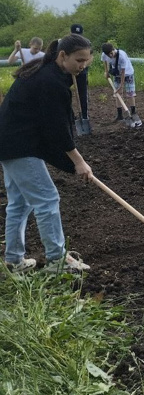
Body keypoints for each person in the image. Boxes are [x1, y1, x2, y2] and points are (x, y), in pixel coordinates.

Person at [0, 34, 93, 274]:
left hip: (10, 142)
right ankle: (57, 261)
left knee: (19, 204)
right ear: (63, 55)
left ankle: (13, 260)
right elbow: (56, 129)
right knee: (47, 199)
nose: (82, 65)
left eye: (86, 61)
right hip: (19, 145)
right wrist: (79, 162)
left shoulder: (49, 73)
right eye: (79, 60)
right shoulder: (49, 81)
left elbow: (53, 126)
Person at [100, 43, 142, 127]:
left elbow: (123, 72)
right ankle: (120, 115)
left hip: (128, 74)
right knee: (117, 94)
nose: (110, 56)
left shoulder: (122, 56)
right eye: (108, 55)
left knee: (130, 93)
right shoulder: (105, 54)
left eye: (111, 54)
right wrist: (106, 71)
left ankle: (133, 113)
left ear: (113, 49)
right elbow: (105, 61)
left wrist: (121, 86)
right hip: (117, 74)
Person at [70, 24, 91, 123]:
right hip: (68, 73)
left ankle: (84, 115)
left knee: (83, 94)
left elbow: (90, 58)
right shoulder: (67, 43)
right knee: (66, 93)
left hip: (82, 72)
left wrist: (82, 66)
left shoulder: (87, 43)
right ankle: (70, 116)